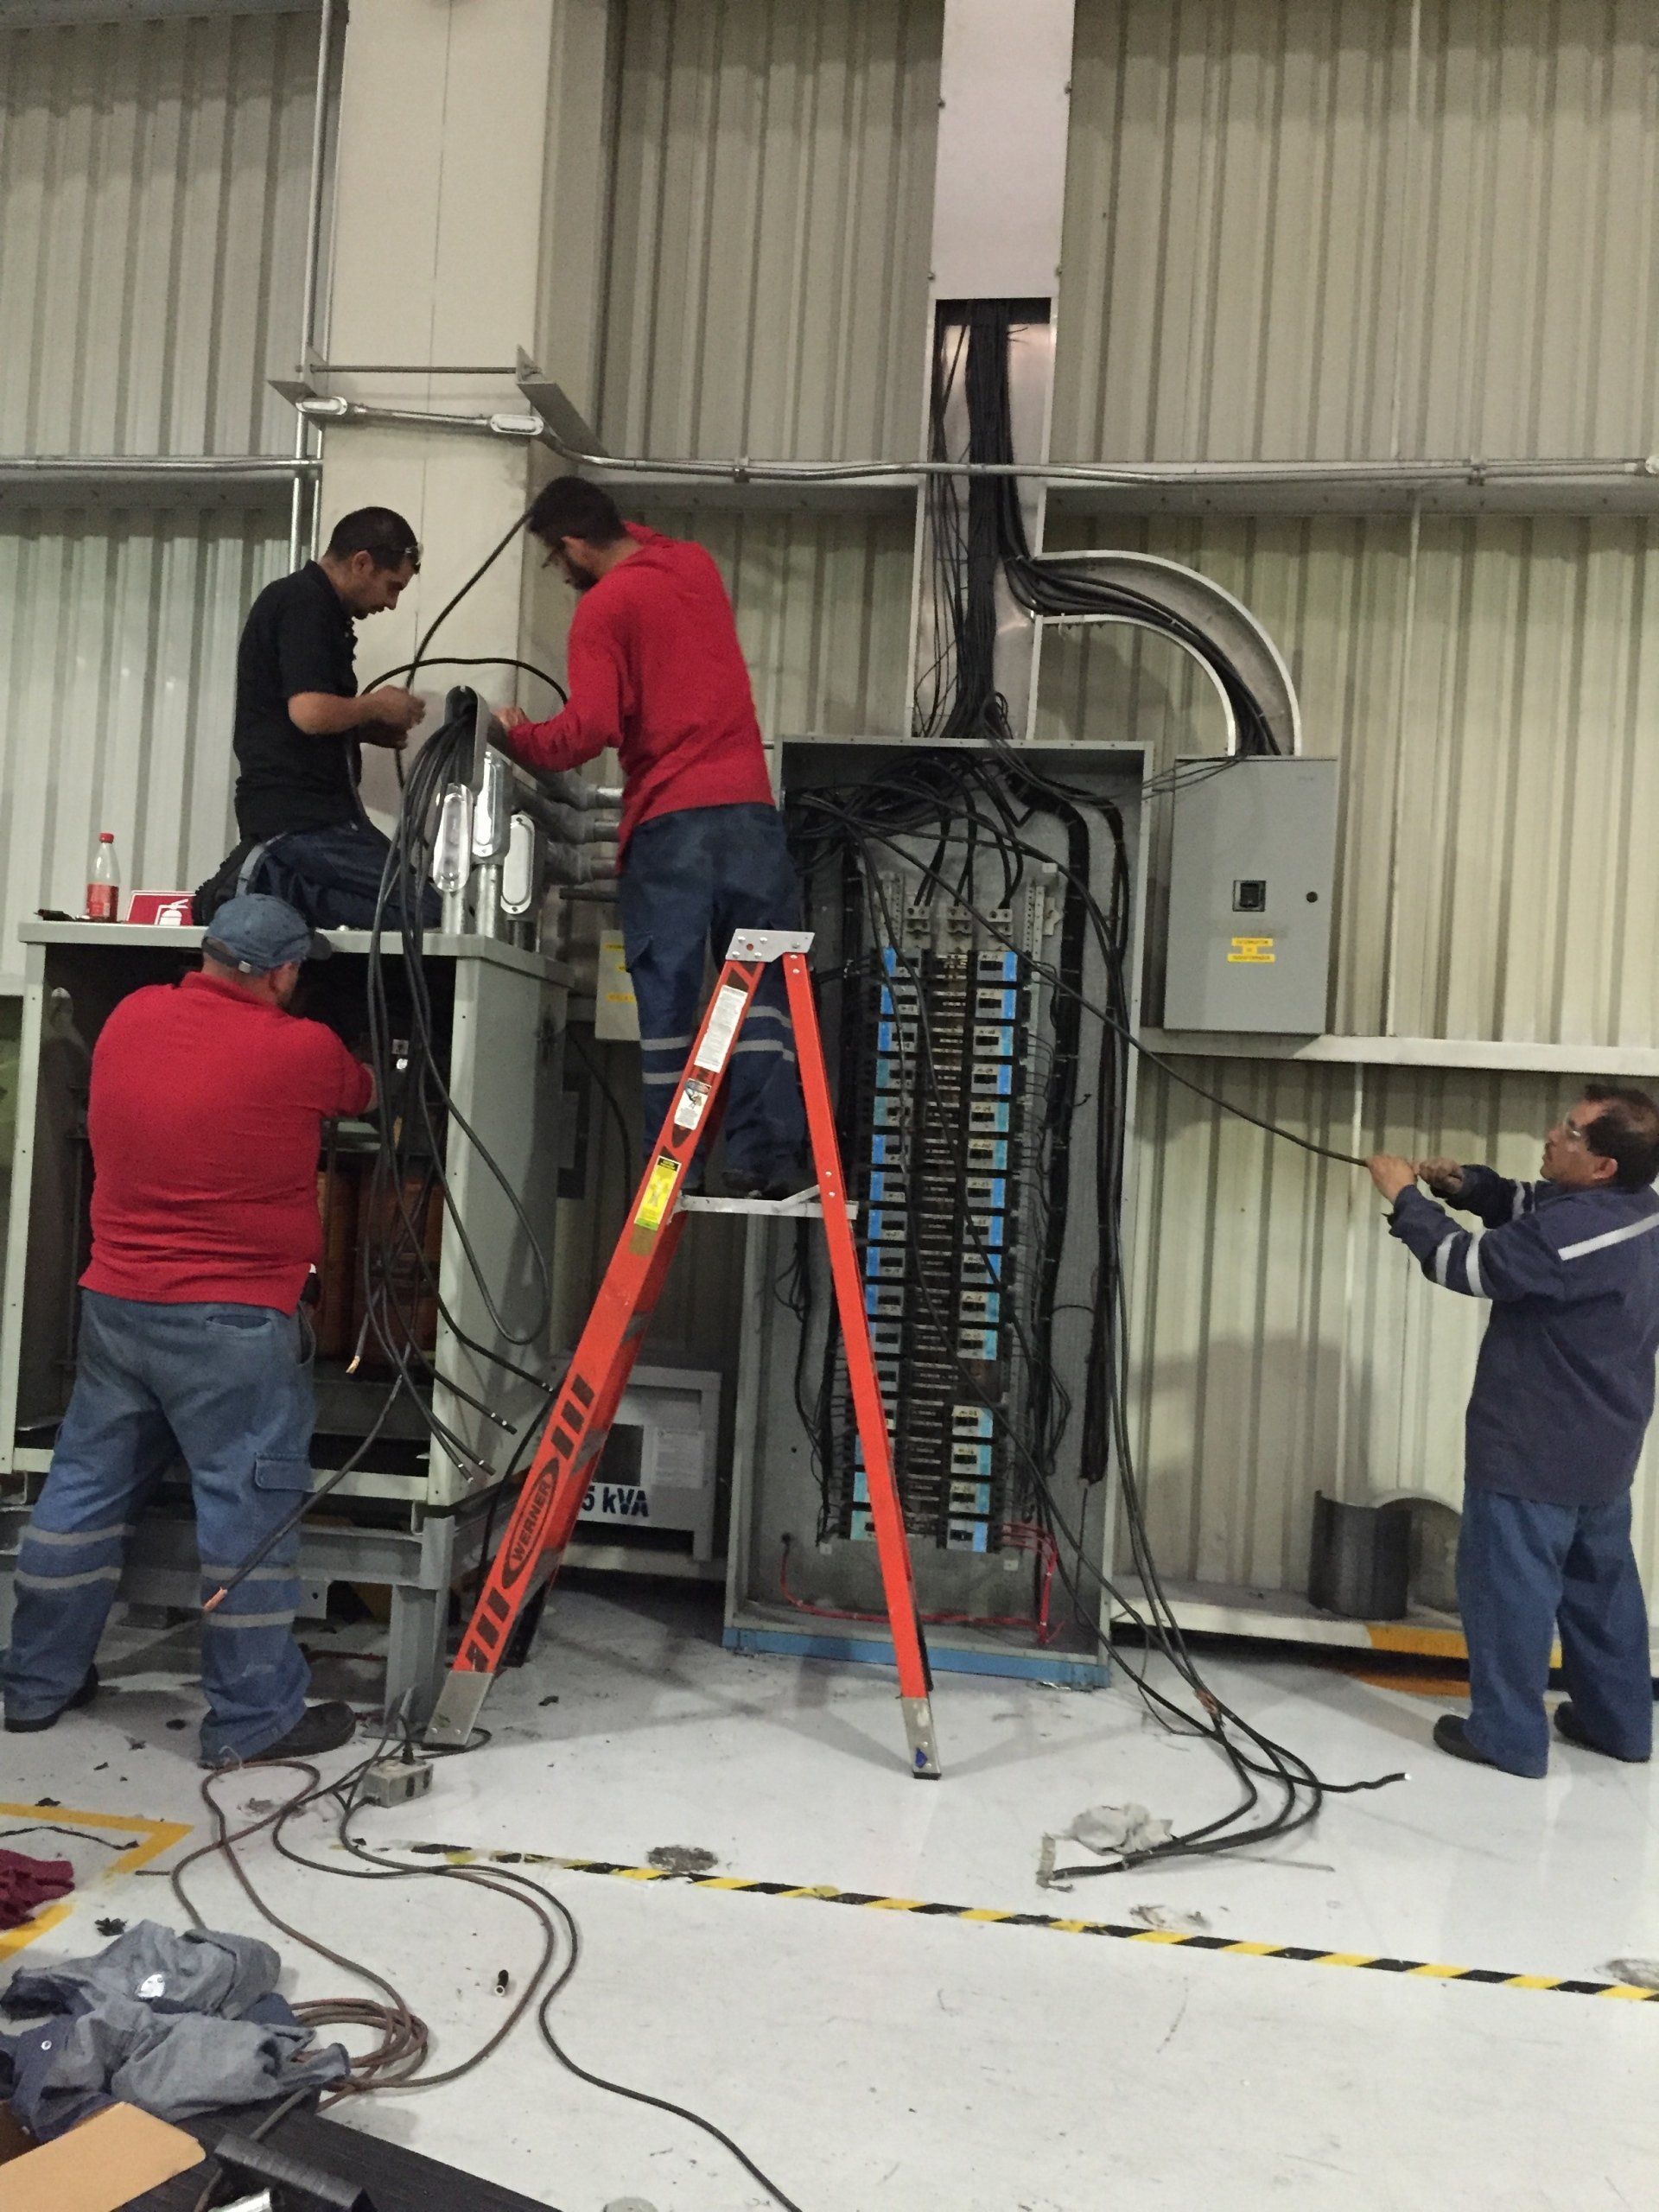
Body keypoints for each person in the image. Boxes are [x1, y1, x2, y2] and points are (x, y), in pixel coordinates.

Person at [3, 895, 375, 1765]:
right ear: (282, 973)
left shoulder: (130, 1017)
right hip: (232, 1326)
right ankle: (252, 1719)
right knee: (245, 1517)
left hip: (116, 1309)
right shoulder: (302, 1049)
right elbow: (363, 1090)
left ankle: (34, 1682)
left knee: (80, 1495)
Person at [495, 477, 805, 1197]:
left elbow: (589, 730)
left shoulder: (605, 608)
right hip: (751, 820)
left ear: (573, 545)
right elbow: (645, 541)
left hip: (673, 829)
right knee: (761, 995)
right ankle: (766, 1160)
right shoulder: (693, 565)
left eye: (556, 559)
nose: (561, 575)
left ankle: (674, 1170)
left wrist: (519, 737)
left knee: (668, 1004)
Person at [1368, 1086, 1659, 1777]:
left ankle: (1507, 1738)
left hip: (1533, 1450)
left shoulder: (1571, 1234)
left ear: (1603, 1167)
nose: (1553, 1136)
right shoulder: (1637, 1211)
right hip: (1603, 1448)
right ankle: (1619, 1724)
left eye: (1571, 1133)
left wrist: (1405, 1198)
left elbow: (1465, 1265)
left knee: (1509, 1594)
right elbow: (1535, 1207)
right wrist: (1468, 1186)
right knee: (1601, 1592)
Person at [194, 507, 436, 931]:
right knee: (427, 911)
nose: (391, 603)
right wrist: (376, 705)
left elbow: (296, 716)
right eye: (392, 586)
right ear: (362, 562)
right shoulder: (304, 602)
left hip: (317, 815)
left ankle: (275, 887)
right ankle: (269, 883)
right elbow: (308, 713)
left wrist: (361, 729)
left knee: (420, 910)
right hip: (301, 818)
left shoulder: (318, 608)